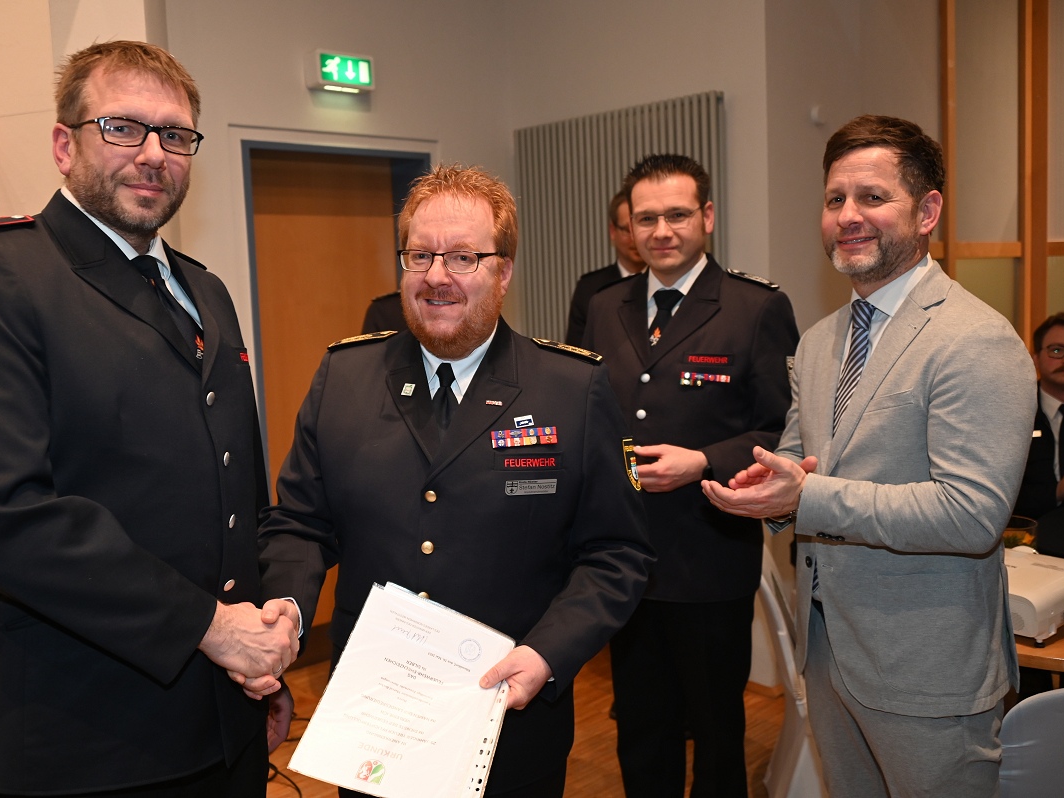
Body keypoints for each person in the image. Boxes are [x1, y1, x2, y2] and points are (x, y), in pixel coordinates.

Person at [0, 41, 298, 797]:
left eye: (174, 135)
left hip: (225, 720)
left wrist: (262, 651)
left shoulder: (205, 291)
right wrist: (211, 628)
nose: (153, 154)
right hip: (86, 744)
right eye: (122, 127)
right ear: (64, 145)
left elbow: (236, 497)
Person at [257, 164, 654, 797]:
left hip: (509, 720)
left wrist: (548, 652)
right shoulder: (345, 377)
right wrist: (289, 605)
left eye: (464, 257)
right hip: (376, 725)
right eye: (420, 255)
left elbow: (618, 553)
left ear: (504, 271)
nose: (437, 276)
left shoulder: (570, 388)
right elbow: (300, 522)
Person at [704, 115, 1037, 797]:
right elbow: (801, 457)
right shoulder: (821, 340)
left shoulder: (975, 339)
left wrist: (806, 497)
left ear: (927, 212)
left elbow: (971, 514)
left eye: (873, 197)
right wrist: (767, 489)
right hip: (828, 652)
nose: (848, 216)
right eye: (835, 199)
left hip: (927, 671)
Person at [582, 154, 798, 797]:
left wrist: (703, 461)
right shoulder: (604, 306)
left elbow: (783, 431)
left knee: (716, 731)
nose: (661, 231)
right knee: (641, 727)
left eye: (676, 215)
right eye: (646, 218)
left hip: (709, 554)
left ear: (706, 216)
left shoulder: (755, 307)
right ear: (628, 226)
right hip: (624, 558)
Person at [1014, 311, 1064, 520]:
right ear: (1035, 359)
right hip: (1027, 533)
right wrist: (1059, 491)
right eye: (1057, 350)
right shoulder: (1014, 411)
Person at [564, 189, 647, 345]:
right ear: (613, 231)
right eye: (627, 230)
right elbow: (575, 352)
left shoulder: (666, 282)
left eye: (641, 227)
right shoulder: (589, 289)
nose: (634, 238)